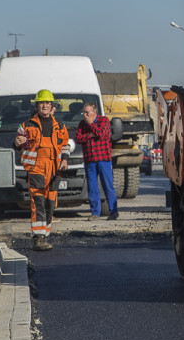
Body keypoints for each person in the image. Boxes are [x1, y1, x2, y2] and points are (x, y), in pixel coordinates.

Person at [14, 89, 70, 251]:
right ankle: (38, 238)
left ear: (52, 106)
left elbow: (65, 145)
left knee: (50, 204)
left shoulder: (59, 125)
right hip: (37, 168)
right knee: (38, 202)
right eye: (41, 103)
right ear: (37, 105)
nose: (44, 105)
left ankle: (45, 234)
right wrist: (18, 143)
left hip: (54, 170)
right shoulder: (27, 125)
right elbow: (19, 146)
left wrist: (65, 160)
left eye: (47, 103)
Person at [74, 101, 119, 221]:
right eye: (84, 113)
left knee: (108, 186)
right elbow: (78, 138)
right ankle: (95, 213)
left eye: (87, 113)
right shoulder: (81, 124)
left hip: (103, 159)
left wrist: (91, 125)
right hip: (90, 160)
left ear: (94, 112)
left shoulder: (104, 121)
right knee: (92, 187)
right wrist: (91, 134)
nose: (85, 115)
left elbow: (102, 133)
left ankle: (113, 212)